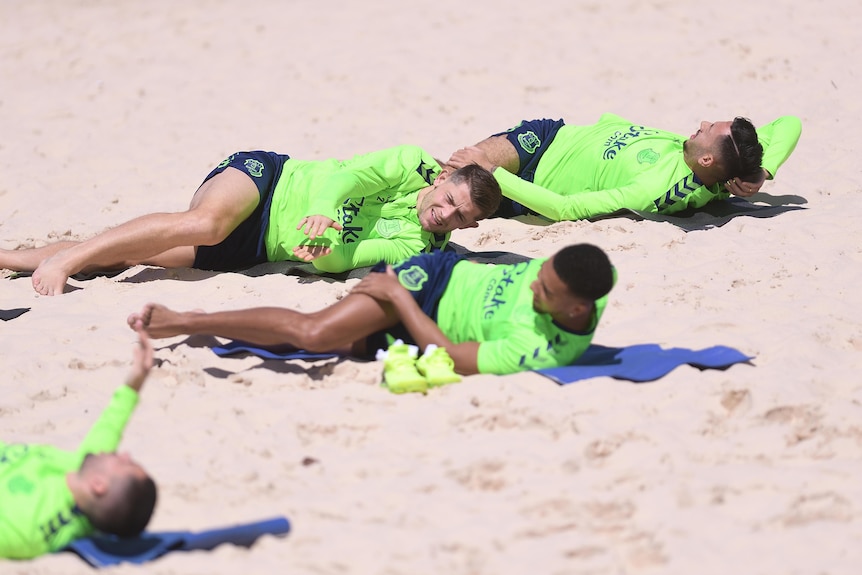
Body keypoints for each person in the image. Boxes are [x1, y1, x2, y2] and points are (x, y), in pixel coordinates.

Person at [0, 146, 501, 296]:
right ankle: (68, 260)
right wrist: (323, 212)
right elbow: (344, 180)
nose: (447, 212)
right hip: (269, 181)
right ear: (444, 178)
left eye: (461, 216)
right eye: (452, 197)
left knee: (134, 254)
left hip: (261, 247)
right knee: (206, 223)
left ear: (468, 227)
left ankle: (12, 258)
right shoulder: (410, 164)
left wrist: (326, 254)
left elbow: (352, 259)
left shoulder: (423, 248)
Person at [127, 243, 615, 376]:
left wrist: (400, 306)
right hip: (429, 281)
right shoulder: (586, 273)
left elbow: (448, 356)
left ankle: (203, 329)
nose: (532, 287)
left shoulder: (544, 350)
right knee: (316, 334)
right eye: (539, 275)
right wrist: (401, 293)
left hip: (419, 324)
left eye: (544, 292)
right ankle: (184, 319)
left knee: (325, 343)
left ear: (576, 309)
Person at [446, 114, 802, 221]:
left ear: (707, 160)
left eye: (710, 131)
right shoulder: (713, 160)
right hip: (551, 135)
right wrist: (763, 171)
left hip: (533, 179)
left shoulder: (658, 190)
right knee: (454, 171)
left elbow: (566, 209)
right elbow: (789, 123)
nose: (704, 123)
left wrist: (493, 172)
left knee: (458, 177)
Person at [0, 325, 157, 559]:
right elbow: (110, 426)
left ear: (99, 485)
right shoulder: (80, 474)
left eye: (126, 464)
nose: (124, 455)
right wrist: (136, 381)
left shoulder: (26, 527)